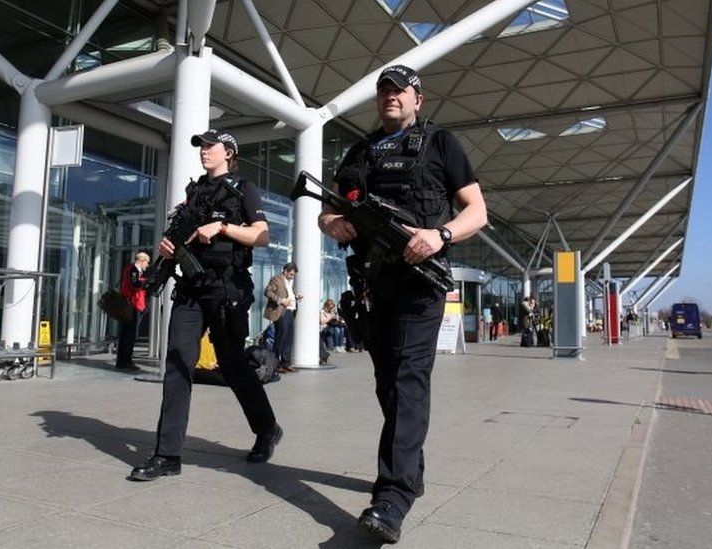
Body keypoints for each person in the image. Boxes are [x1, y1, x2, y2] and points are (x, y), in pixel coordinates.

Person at [319, 65, 488, 543]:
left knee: (410, 378)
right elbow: (327, 210)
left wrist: (441, 235)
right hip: (374, 285)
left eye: (400, 90)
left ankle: (391, 498)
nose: (390, 97)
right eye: (383, 91)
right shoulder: (358, 152)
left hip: (420, 282)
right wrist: (332, 224)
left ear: (419, 98)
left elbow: (478, 209)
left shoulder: (441, 143)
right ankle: (410, 469)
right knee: (387, 383)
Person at [129, 130, 282, 481]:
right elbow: (181, 233)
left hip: (226, 288)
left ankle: (267, 429)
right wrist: (169, 247)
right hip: (191, 288)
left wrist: (224, 227)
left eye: (210, 146)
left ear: (228, 152)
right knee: (178, 362)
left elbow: (262, 235)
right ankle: (167, 454)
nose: (204, 152)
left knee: (233, 367)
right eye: (201, 147)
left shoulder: (243, 189)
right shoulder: (194, 191)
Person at [115, 251, 150, 371]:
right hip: (131, 305)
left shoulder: (131, 269)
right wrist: (146, 281)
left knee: (126, 333)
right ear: (142, 261)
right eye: (147, 262)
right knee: (129, 334)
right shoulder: (133, 270)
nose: (147, 265)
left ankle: (123, 360)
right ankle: (125, 360)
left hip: (130, 304)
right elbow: (135, 285)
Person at [264, 263, 300, 373]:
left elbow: (288, 296)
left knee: (289, 337)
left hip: (290, 312)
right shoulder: (276, 279)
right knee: (281, 337)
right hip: (281, 312)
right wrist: (280, 300)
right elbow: (268, 292)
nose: (292, 276)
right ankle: (276, 363)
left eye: (294, 275)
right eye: (291, 274)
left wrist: (295, 297)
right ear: (285, 271)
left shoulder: (288, 283)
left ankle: (286, 362)